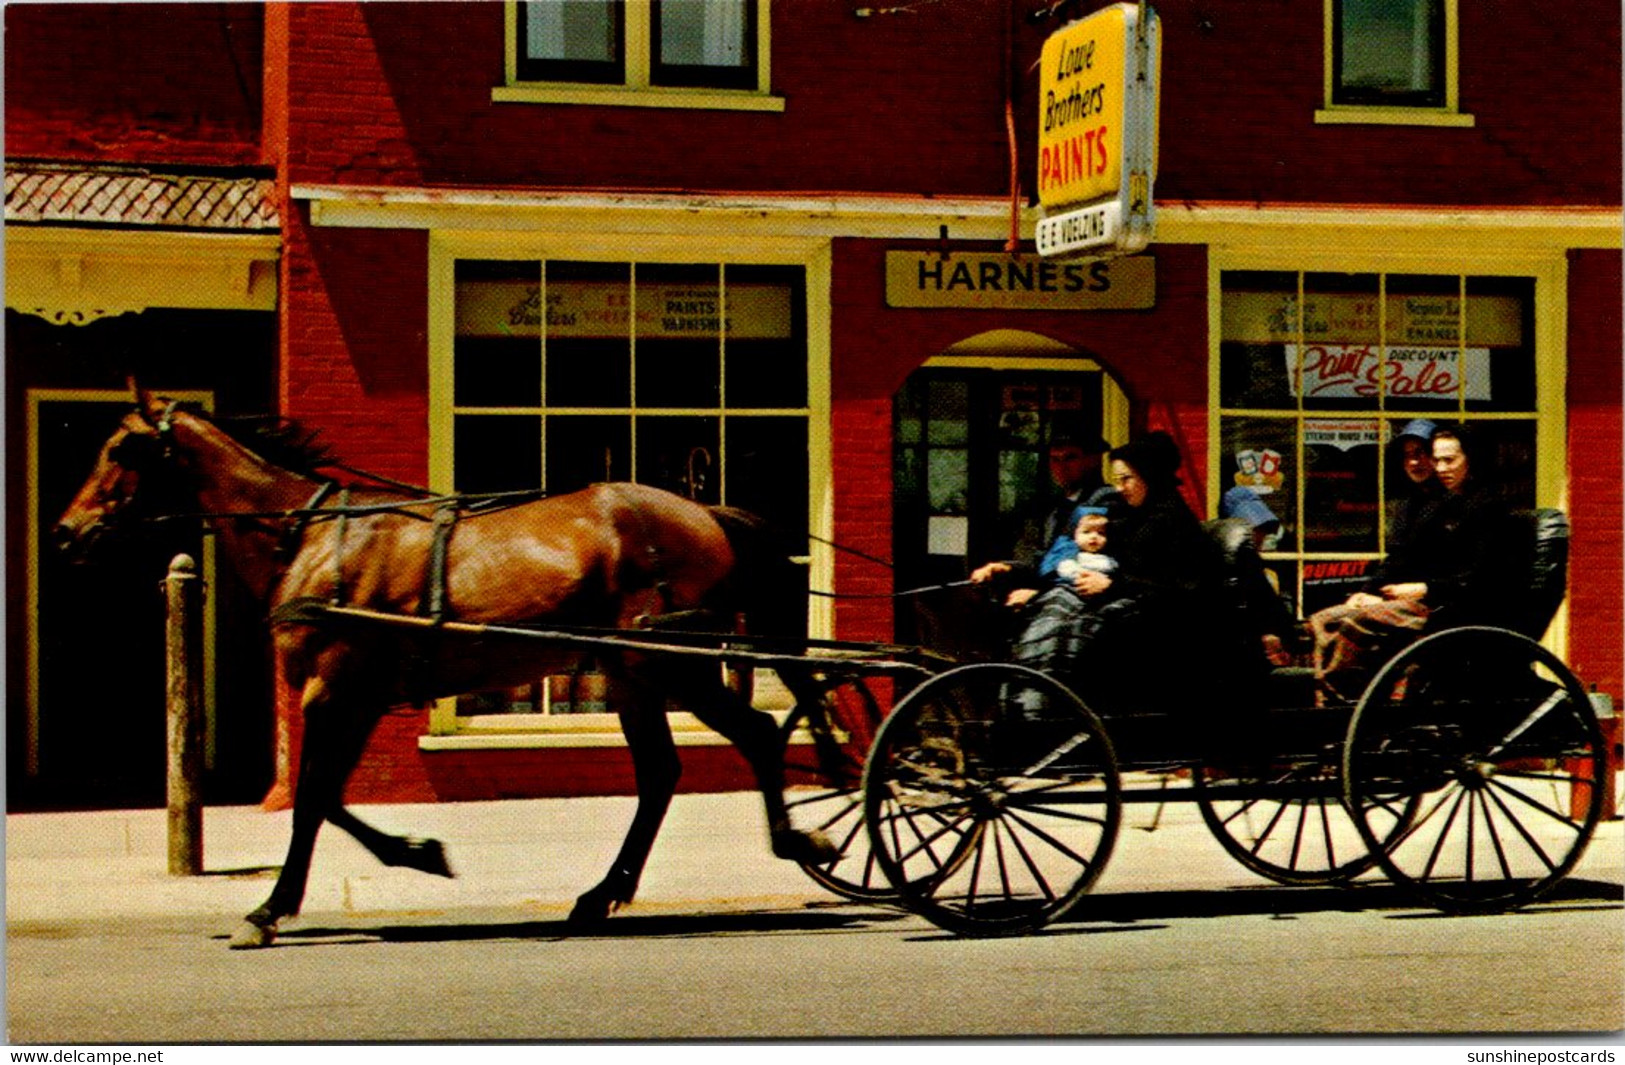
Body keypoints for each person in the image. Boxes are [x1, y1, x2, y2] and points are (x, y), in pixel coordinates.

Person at [1308, 423, 1516, 702]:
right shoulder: (1436, 504)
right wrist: (1368, 591)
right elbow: (1402, 557)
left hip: (1455, 609)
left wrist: (1421, 589)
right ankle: (1332, 698)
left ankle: (1348, 703)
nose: (1441, 468)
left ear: (1470, 459)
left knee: (1358, 622)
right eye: (1437, 460)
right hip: (1423, 600)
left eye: (1449, 460)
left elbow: (1478, 577)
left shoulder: (1488, 506)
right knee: (1323, 619)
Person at [1011, 431, 1227, 696]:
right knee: (1055, 605)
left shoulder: (1174, 522)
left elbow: (1180, 587)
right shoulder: (1129, 518)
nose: (1119, 488)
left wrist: (1112, 584)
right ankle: (1029, 693)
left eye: (1127, 479)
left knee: (1076, 624)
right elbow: (1082, 555)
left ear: (1150, 477)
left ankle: (1054, 700)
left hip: (1163, 622)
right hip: (1124, 600)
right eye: (1117, 480)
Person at [971, 427, 1111, 604]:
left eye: (1071, 458)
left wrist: (1037, 595)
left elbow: (1081, 567)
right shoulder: (1054, 507)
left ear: (1092, 460)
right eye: (1055, 459)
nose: (1061, 467)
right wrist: (1004, 567)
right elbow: (1044, 559)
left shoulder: (1104, 502)